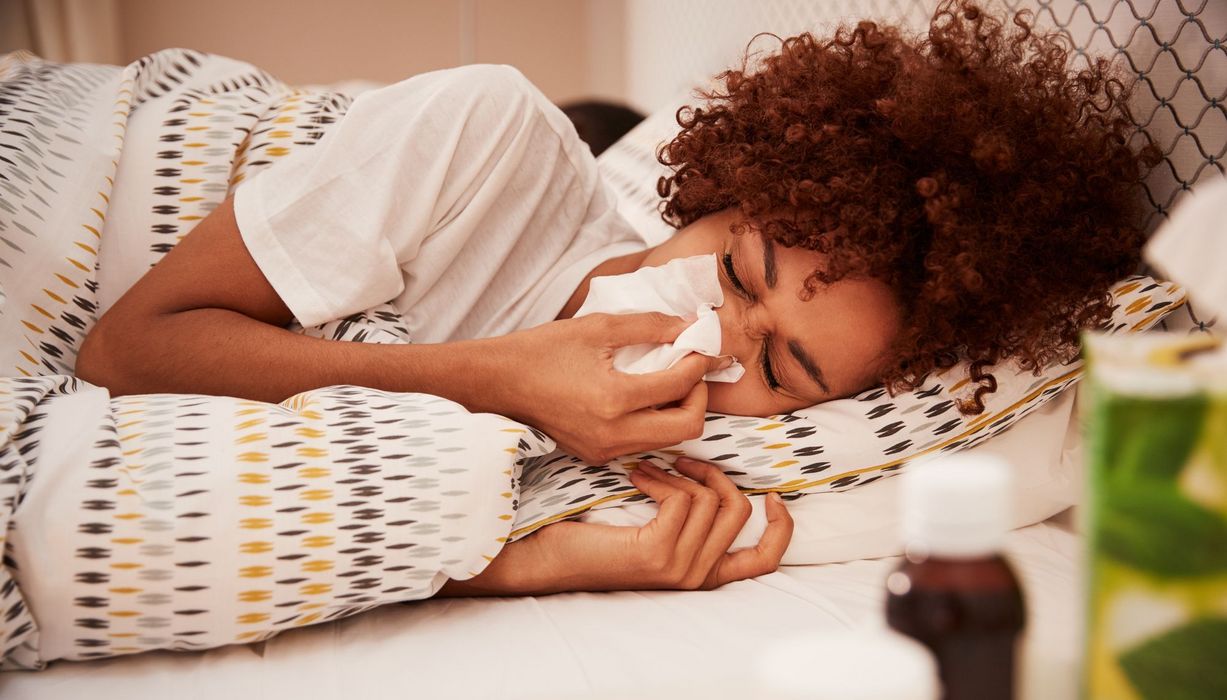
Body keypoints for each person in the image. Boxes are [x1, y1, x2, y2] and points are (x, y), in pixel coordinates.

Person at [74, 0, 1158, 596]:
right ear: (731, 182)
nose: (721, 338)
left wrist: (551, 562)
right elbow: (121, 352)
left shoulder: (668, 461)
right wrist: (496, 377)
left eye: (781, 369)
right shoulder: (485, 136)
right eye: (738, 273)